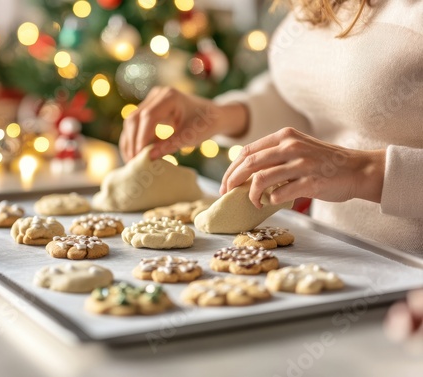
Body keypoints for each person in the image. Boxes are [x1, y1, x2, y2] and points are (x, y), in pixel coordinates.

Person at [119, 0, 423, 344]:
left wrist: (364, 172)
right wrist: (222, 115)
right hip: (328, 263)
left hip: (407, 291)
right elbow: (312, 90)